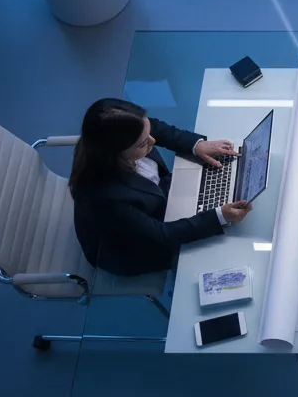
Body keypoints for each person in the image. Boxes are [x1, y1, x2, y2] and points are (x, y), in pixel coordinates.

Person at [70, 98, 252, 276]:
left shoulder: (115, 136)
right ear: (117, 152)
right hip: (135, 249)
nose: (152, 140)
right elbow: (160, 236)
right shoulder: (108, 198)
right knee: (224, 255)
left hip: (152, 202)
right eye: (142, 144)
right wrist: (219, 216)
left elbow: (153, 127)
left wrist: (197, 145)